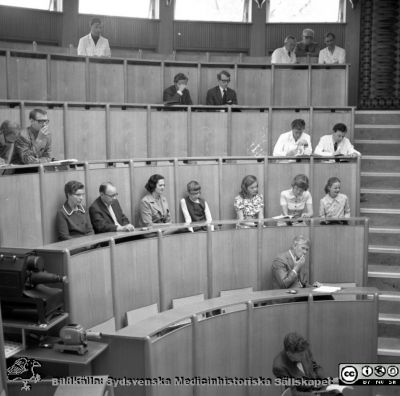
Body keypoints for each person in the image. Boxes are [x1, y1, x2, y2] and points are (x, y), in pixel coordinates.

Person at [273, 333, 342, 395]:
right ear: (289, 354)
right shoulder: (279, 367)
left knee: (337, 393)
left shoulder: (303, 349)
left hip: (317, 387)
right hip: (305, 394)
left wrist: (324, 380)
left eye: (304, 353)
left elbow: (314, 366)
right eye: (300, 355)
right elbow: (293, 393)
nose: (304, 356)